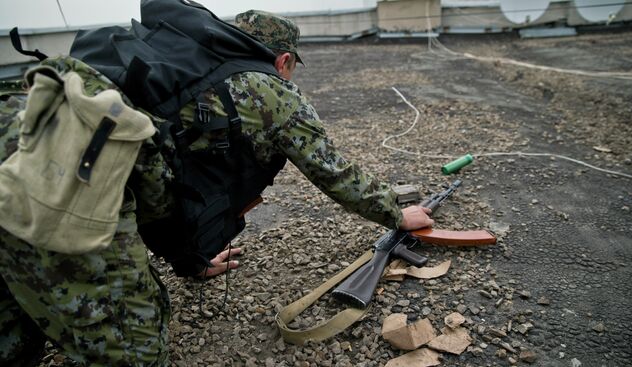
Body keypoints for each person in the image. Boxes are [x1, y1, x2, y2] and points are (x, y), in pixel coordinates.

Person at [0, 9, 433, 366]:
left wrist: (191, 258)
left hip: (17, 134)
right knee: (133, 349)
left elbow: (162, 178)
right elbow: (335, 172)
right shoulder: (272, 93)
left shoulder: (182, 71)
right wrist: (396, 213)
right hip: (64, 182)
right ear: (284, 60)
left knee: (13, 323)